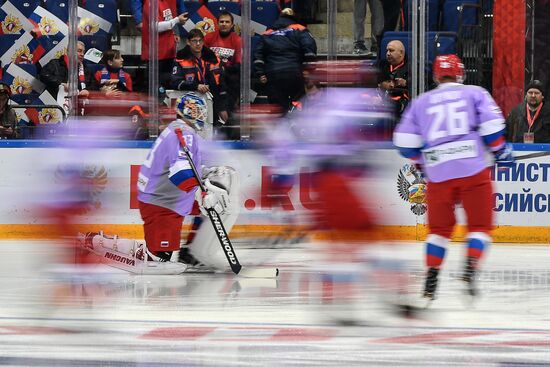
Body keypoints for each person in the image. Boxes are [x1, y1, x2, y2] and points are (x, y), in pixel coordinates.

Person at [393, 54, 515, 301]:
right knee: (480, 227)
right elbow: (492, 130)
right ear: (461, 73)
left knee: (438, 231)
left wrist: (422, 163)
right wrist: (501, 150)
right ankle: (470, 267)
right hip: (473, 171)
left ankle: (432, 277)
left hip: (439, 175)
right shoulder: (475, 93)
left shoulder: (421, 102)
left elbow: (404, 143)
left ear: (436, 76)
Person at [77, 93, 240, 274]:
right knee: (160, 261)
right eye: (200, 112)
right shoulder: (184, 133)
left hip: (167, 198)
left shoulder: (179, 130)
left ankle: (196, 252)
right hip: (163, 204)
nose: (202, 115)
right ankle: (98, 244)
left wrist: (209, 173)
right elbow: (180, 173)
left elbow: (188, 166)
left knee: (218, 205)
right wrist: (200, 194)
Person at [254, 8, 317, 113]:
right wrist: (309, 70)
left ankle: (281, 127)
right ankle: (296, 124)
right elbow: (310, 50)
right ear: (294, 18)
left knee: (277, 109)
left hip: (273, 75)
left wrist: (260, 73)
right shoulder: (300, 29)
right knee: (298, 103)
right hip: (294, 73)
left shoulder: (267, 33)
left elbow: (257, 54)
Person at [171, 28, 229, 139]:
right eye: (194, 41)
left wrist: (222, 107)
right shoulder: (180, 58)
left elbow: (222, 83)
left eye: (200, 41)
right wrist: (196, 86)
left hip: (214, 102)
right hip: (190, 104)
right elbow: (175, 82)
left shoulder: (214, 58)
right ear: (188, 42)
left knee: (216, 134)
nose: (198, 44)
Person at [204, 10, 241, 138]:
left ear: (232, 25)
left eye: (227, 22)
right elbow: (202, 60)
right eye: (221, 22)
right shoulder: (209, 37)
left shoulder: (237, 40)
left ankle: (228, 135)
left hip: (229, 80)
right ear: (217, 23)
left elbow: (239, 65)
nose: (224, 24)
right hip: (211, 80)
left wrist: (223, 69)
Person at [140, 0, 188, 92]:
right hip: (156, 55)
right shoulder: (151, 3)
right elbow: (154, 27)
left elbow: (168, 20)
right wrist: (177, 20)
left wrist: (174, 32)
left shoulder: (167, 2)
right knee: (157, 91)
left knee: (168, 89)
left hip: (168, 52)